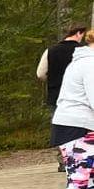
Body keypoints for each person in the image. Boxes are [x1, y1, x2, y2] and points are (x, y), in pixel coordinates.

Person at [52, 30, 94, 189]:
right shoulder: (89, 64)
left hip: (84, 125)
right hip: (75, 128)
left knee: (91, 180)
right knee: (79, 181)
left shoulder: (84, 61)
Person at [39, 24, 88, 171]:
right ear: (79, 34)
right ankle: (82, 158)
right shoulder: (83, 53)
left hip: (56, 95)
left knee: (61, 127)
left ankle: (63, 160)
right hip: (80, 96)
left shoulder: (50, 51)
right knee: (82, 128)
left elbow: (40, 74)